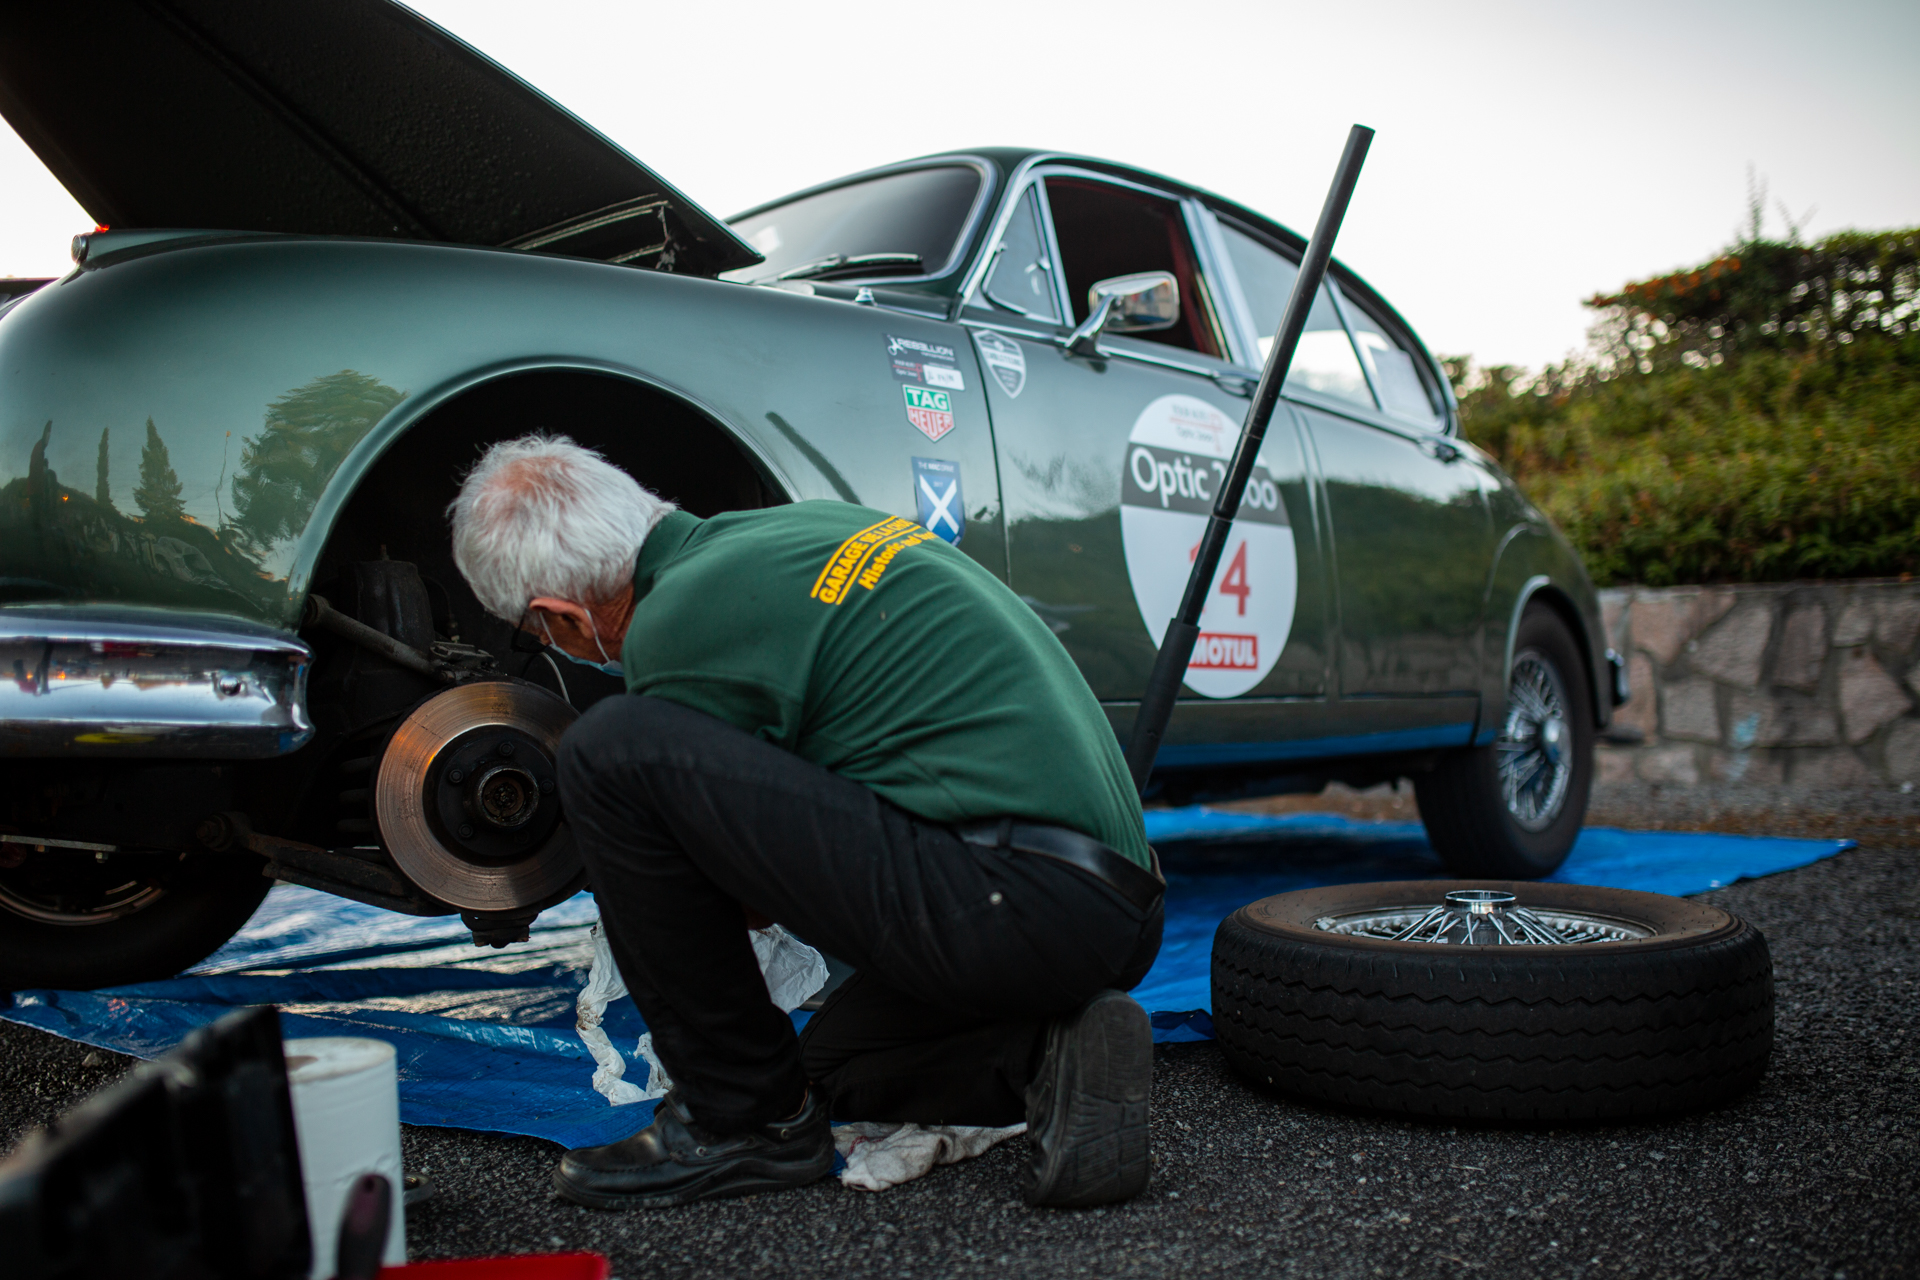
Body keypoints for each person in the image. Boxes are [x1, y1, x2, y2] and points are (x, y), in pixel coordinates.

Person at [448, 435, 1163, 1210]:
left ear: (561, 617)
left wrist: (647, 886)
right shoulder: (790, 533)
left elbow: (739, 894)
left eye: (537, 634)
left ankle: (740, 1125)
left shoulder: (676, 621)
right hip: (1113, 905)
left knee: (606, 755)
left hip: (1009, 899)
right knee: (821, 1076)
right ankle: (1047, 1055)